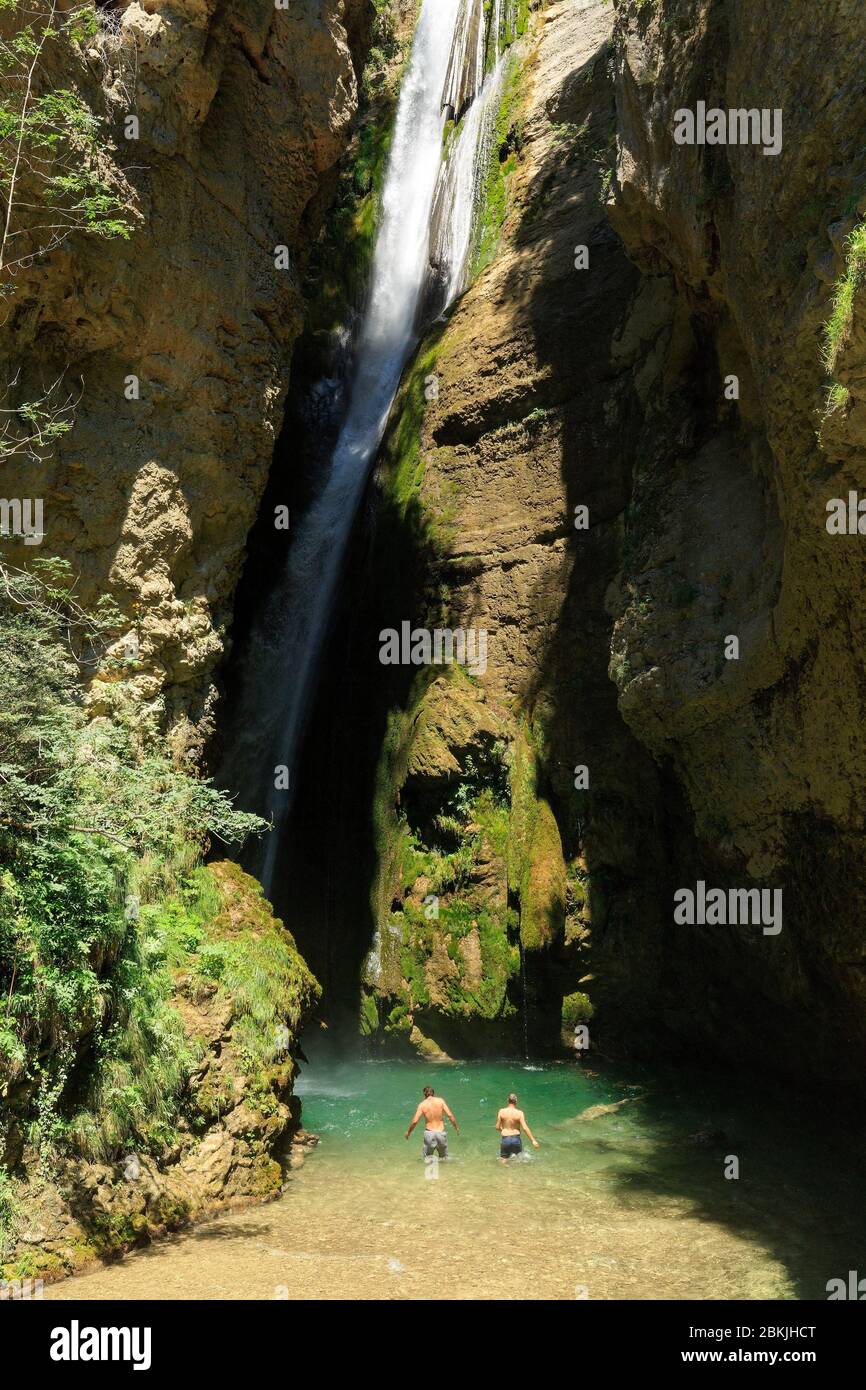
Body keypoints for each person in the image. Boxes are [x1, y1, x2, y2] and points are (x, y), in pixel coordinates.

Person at [405, 1085, 459, 1160]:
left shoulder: (422, 1104)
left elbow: (415, 1121)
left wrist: (408, 1132)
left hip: (429, 1134)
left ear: (424, 1094)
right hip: (441, 1133)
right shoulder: (440, 1101)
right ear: (433, 1093)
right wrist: (456, 1128)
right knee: (444, 1160)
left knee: (427, 1160)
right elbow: (450, 1115)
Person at [495, 1092, 540, 1163]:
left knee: (503, 1160)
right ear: (516, 1101)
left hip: (505, 1139)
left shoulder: (501, 1111)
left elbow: (497, 1127)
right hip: (516, 1139)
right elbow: (525, 1128)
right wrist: (533, 1140)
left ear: (508, 1100)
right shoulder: (520, 1113)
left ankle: (505, 1172)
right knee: (519, 1159)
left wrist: (504, 1130)